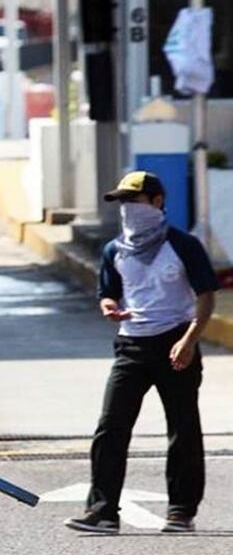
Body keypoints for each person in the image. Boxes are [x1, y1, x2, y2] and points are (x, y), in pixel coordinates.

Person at [65, 172, 219, 535]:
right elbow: (109, 292)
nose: (129, 209)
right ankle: (102, 512)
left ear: (157, 202)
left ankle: (181, 511)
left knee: (182, 427)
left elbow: (207, 296)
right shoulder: (115, 249)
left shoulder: (182, 245)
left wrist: (190, 339)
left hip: (176, 341)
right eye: (123, 202)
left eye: (135, 200)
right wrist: (108, 305)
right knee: (111, 427)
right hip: (131, 344)